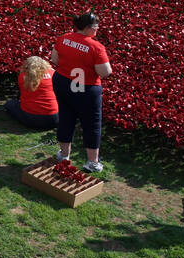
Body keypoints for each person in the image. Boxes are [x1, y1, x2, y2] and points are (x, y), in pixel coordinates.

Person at [50, 12, 112, 173]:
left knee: (65, 117)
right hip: (86, 87)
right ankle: (92, 162)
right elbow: (105, 72)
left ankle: (64, 155)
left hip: (63, 82)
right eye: (96, 27)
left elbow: (54, 59)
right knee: (91, 124)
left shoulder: (63, 38)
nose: (97, 30)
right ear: (87, 28)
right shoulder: (96, 47)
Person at [6, 55, 59, 129]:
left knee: (10, 104)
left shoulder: (22, 76)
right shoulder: (52, 74)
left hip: (32, 119)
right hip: (55, 118)